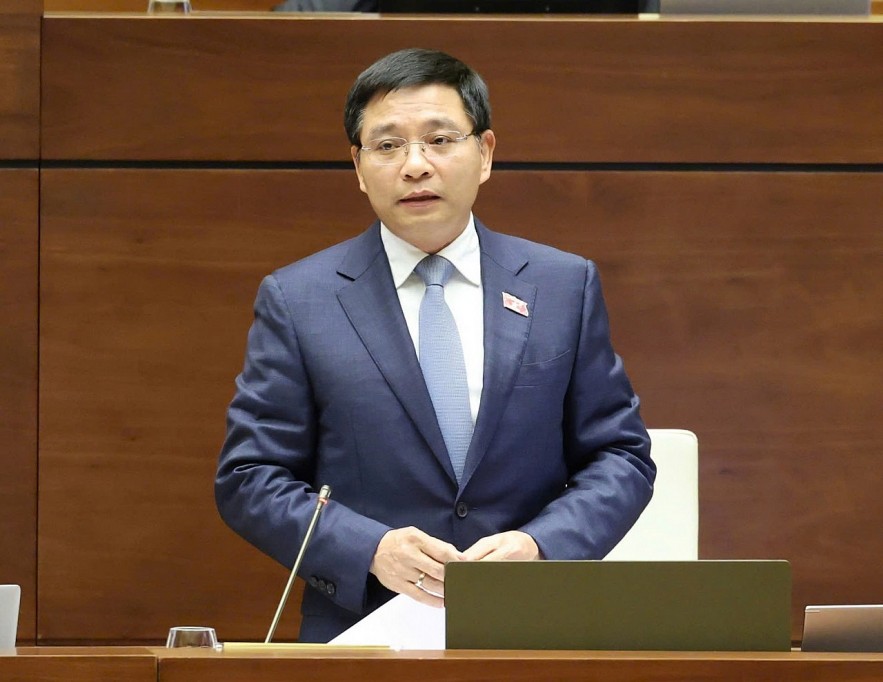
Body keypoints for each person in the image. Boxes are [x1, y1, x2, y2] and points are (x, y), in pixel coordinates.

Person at [215, 47, 655, 643]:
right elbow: (250, 476)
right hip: (364, 635)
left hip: (535, 628)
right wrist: (369, 548)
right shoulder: (299, 299)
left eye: (440, 140)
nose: (415, 165)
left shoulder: (561, 285)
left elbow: (621, 456)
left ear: (485, 154)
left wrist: (541, 545)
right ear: (358, 166)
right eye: (388, 146)